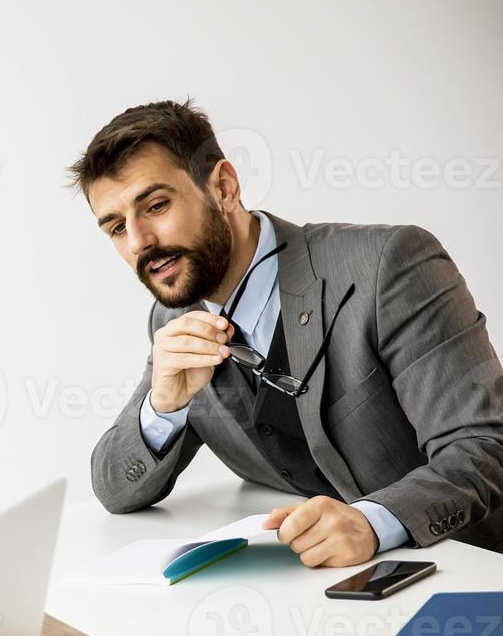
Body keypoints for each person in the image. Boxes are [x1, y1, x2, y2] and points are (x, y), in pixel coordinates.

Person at [74, 100, 503, 567]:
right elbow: (115, 489)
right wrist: (163, 407)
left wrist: (376, 522)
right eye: (116, 227)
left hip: (470, 572)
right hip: (317, 594)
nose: (138, 242)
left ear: (223, 187)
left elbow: (483, 445)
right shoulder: (173, 323)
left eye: (156, 206)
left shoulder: (389, 264)